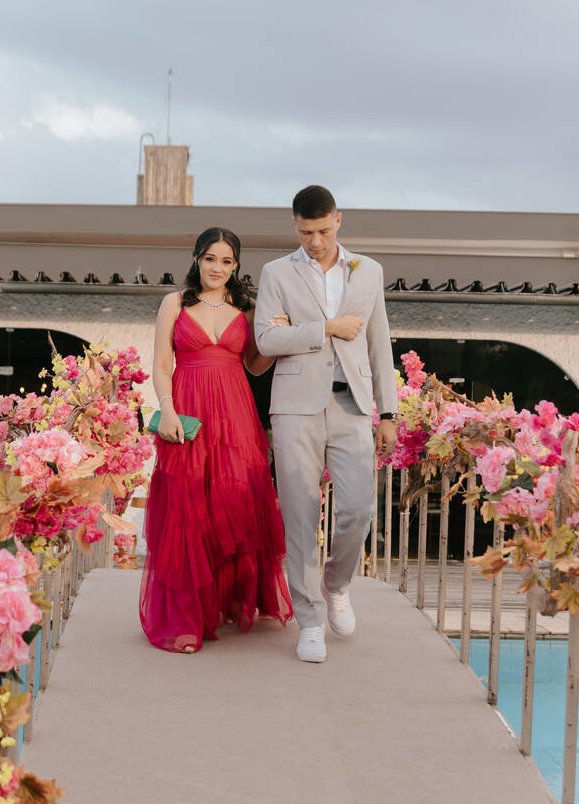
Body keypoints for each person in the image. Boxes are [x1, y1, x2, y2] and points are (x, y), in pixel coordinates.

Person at [254, 185, 398, 663]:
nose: (314, 241)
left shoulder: (369, 271)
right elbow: (267, 339)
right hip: (295, 406)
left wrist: (389, 412)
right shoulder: (277, 272)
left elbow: (380, 344)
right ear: (294, 226)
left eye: (321, 230)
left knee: (358, 507)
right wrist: (326, 329)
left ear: (340, 220)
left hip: (353, 406)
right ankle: (310, 619)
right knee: (299, 511)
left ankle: (336, 585)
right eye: (304, 232)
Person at [139, 227, 293, 652]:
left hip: (235, 415)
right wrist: (166, 408)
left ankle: (224, 600)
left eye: (226, 261)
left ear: (236, 266)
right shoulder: (174, 303)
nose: (217, 268)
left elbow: (256, 367)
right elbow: (160, 363)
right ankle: (186, 618)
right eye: (210, 259)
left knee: (231, 505)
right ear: (196, 259)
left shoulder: (246, 308)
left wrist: (276, 340)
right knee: (186, 507)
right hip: (186, 409)